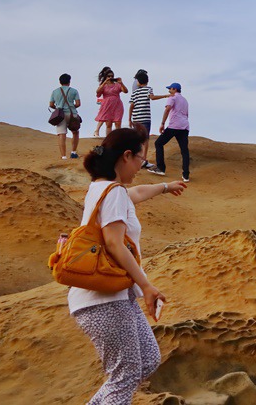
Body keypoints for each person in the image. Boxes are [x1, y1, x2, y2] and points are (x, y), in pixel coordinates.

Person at [70, 128, 186, 404]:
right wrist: (146, 286)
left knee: (147, 360)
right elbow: (113, 243)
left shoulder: (105, 189)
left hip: (117, 296)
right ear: (126, 156)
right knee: (126, 374)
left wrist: (165, 187)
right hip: (102, 299)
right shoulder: (112, 193)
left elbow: (135, 193)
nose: (140, 166)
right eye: (140, 160)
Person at [148, 82, 190, 182]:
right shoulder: (185, 100)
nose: (169, 91)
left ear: (175, 89)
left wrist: (162, 123)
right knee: (184, 150)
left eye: (170, 89)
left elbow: (167, 110)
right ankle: (186, 175)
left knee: (158, 143)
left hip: (174, 125)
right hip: (184, 126)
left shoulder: (172, 97)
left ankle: (161, 168)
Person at [50, 73, 82, 160]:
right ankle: (73, 152)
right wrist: (71, 107)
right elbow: (78, 104)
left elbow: (51, 104)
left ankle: (63, 156)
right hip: (72, 114)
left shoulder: (55, 92)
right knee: (75, 132)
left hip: (60, 115)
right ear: (69, 81)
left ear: (59, 82)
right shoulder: (74, 91)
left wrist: (57, 108)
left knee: (62, 135)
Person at [128, 71, 154, 169]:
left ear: (138, 81)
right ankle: (143, 159)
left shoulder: (135, 92)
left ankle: (137, 159)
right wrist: (165, 96)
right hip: (146, 118)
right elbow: (152, 97)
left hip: (136, 119)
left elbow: (131, 105)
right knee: (145, 140)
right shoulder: (149, 89)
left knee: (137, 139)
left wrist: (129, 118)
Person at [94, 68, 128, 137]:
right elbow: (98, 92)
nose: (110, 77)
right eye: (109, 76)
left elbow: (125, 91)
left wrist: (121, 83)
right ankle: (109, 139)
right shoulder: (104, 85)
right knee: (108, 124)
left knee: (118, 122)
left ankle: (118, 139)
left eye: (112, 76)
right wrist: (104, 82)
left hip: (117, 104)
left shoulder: (117, 85)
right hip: (107, 105)